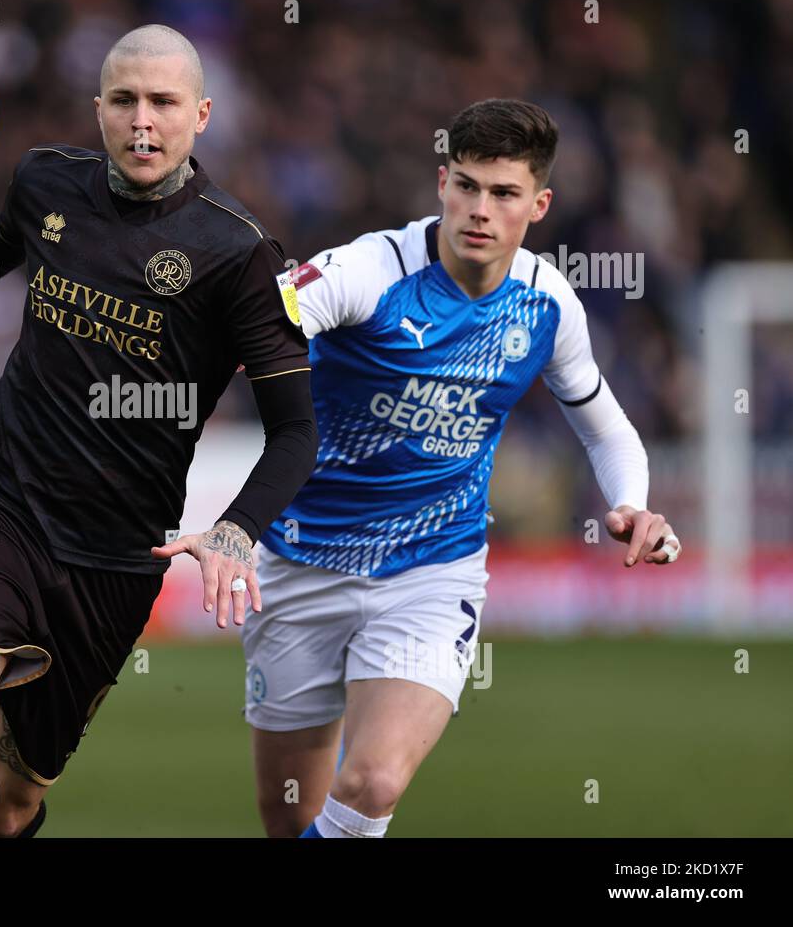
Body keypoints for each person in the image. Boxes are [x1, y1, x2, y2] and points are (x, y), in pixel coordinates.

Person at [0, 24, 318, 838]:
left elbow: (297, 429)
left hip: (115, 556)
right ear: (99, 109)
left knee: (5, 808)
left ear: (203, 114)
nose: (142, 122)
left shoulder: (240, 252)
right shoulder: (48, 182)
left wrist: (236, 530)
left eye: (163, 103)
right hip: (0, 494)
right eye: (124, 101)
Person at [246, 99, 683, 838]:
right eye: (468, 186)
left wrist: (632, 504)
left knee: (373, 782)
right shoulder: (370, 269)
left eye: (505, 193)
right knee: (291, 819)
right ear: (443, 183)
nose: (481, 209)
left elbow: (608, 430)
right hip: (300, 560)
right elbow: (262, 317)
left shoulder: (547, 304)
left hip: (432, 570)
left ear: (538, 204)